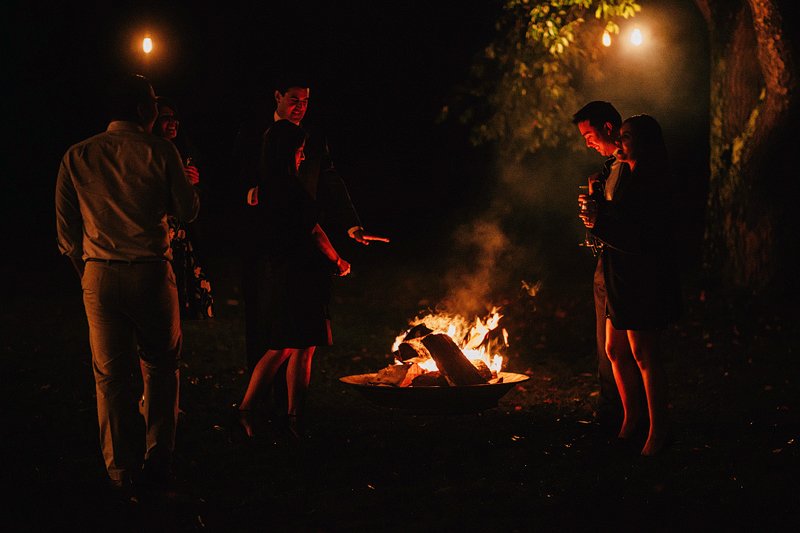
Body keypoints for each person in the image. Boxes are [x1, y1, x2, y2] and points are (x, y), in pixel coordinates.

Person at [55, 74, 200, 496]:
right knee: (161, 368)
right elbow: (187, 211)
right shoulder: (161, 151)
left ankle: (120, 470)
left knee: (110, 377)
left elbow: (66, 233)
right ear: (144, 109)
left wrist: (87, 270)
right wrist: (190, 186)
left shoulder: (78, 155)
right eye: (154, 101)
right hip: (151, 271)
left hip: (99, 271)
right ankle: (159, 458)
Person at [235, 77, 388, 411]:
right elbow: (237, 176)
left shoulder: (312, 139)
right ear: (276, 96)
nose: (300, 107)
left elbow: (330, 181)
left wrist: (352, 225)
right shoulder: (254, 134)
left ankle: (289, 413)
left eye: (306, 101)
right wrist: (249, 194)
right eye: (294, 99)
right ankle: (259, 409)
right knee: (272, 336)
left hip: (303, 255)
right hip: (269, 251)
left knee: (298, 341)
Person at [237, 119, 350, 438]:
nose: (302, 157)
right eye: (299, 151)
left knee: (283, 346)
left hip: (277, 273)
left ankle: (257, 411)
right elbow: (313, 230)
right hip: (298, 276)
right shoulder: (288, 187)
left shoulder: (264, 186)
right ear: (287, 152)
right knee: (297, 347)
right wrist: (338, 260)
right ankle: (291, 417)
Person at [579, 114, 681, 456]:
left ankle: (658, 431)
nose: (619, 142)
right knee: (615, 350)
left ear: (646, 143)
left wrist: (600, 223)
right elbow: (616, 220)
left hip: (641, 276)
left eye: (626, 136)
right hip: (618, 273)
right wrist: (596, 213)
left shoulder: (652, 182)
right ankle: (631, 418)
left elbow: (641, 237)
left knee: (644, 354)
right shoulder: (624, 176)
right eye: (620, 135)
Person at [571, 101, 630, 432]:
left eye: (589, 134)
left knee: (626, 347)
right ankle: (613, 408)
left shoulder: (632, 169)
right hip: (606, 261)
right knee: (606, 344)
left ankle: (624, 412)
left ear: (609, 128)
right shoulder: (610, 170)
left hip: (623, 264)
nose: (587, 142)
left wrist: (599, 216)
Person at [155, 97, 214, 320]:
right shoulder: (150, 154)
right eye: (166, 119)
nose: (172, 124)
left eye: (175, 119)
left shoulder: (185, 152)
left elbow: (200, 198)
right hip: (160, 234)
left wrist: (195, 184)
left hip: (182, 235)